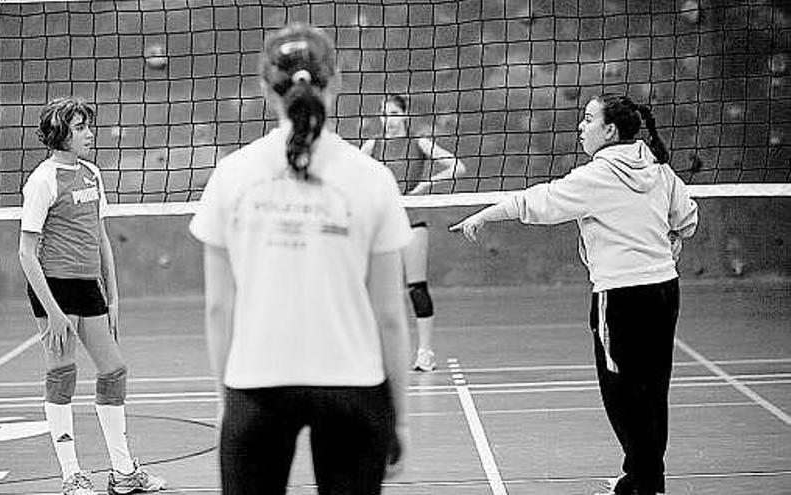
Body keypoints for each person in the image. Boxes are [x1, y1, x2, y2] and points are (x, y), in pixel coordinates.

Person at [188, 23, 411, 495]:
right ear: (337, 82)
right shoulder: (372, 179)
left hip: (256, 384)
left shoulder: (231, 175)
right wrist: (400, 418)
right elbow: (390, 315)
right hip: (354, 385)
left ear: (265, 88)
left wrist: (226, 402)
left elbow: (217, 308)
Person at [451, 94, 698, 495]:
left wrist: (483, 214)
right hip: (664, 291)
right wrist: (673, 235)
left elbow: (537, 201)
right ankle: (642, 475)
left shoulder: (596, 176)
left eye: (587, 120)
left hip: (620, 296)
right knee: (653, 389)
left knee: (622, 394)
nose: (580, 127)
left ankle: (645, 481)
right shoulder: (659, 169)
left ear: (610, 131)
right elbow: (687, 218)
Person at [18, 97, 167, 495]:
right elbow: (26, 253)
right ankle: (72, 476)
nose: (89, 133)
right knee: (62, 375)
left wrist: (113, 296)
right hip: (54, 287)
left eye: (88, 125)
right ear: (61, 134)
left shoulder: (91, 174)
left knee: (114, 370)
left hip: (88, 287)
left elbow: (100, 237)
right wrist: (52, 312)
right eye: (81, 127)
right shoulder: (43, 181)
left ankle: (123, 473)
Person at [361, 93, 467, 372]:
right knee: (378, 289)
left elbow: (458, 166)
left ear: (404, 116)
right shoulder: (373, 145)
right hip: (383, 223)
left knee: (416, 287)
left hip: (412, 220)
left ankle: (425, 352)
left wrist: (426, 185)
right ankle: (379, 353)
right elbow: (352, 174)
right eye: (385, 115)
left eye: (395, 114)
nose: (390, 121)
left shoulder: (418, 142)